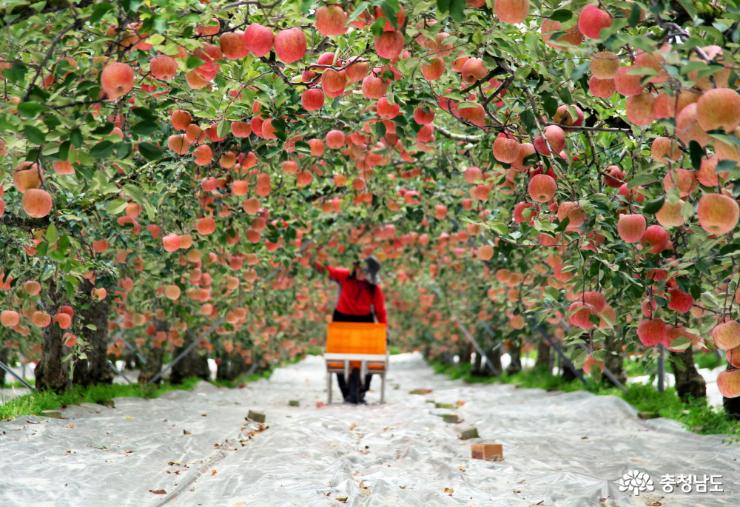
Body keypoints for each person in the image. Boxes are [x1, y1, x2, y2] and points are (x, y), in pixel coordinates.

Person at [315, 255, 387, 404]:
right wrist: (313, 258)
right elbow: (327, 271)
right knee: (338, 355)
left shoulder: (374, 288)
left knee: (370, 355)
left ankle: (363, 389)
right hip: (342, 318)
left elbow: (380, 310)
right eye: (360, 270)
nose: (362, 274)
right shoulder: (345, 276)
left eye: (365, 272)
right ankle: (345, 391)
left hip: (364, 320)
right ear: (356, 268)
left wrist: (383, 329)